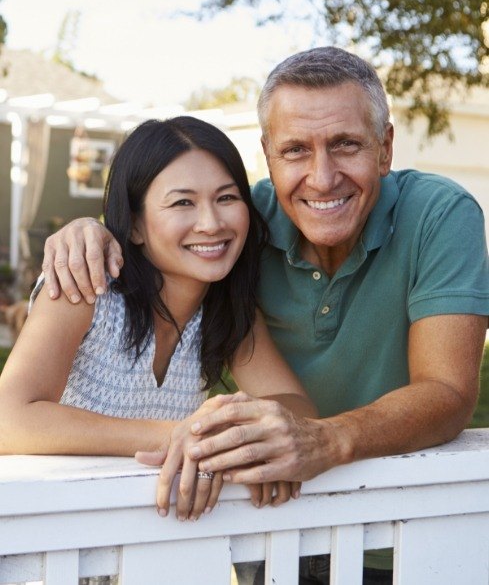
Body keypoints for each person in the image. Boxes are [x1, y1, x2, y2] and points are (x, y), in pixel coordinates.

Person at [40, 48, 489, 582]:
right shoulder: (239, 226)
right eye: (295, 150)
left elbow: (447, 391)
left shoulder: (438, 215)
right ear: (268, 156)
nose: (322, 178)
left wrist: (321, 439)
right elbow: (159, 223)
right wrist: (86, 231)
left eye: (346, 144)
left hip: (406, 538)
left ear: (386, 147)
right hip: (271, 528)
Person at [0, 116, 316, 524]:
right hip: (54, 535)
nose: (211, 223)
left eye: (226, 198)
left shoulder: (227, 310)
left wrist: (227, 429)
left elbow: (299, 411)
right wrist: (185, 435)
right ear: (134, 224)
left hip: (155, 540)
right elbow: (9, 418)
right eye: (182, 202)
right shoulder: (86, 286)